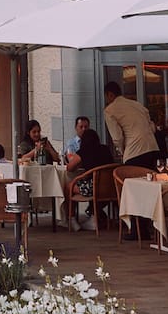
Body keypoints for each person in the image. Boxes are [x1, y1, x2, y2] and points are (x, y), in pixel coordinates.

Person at [104, 81, 159, 241]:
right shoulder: (138, 105)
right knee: (148, 189)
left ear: (109, 95)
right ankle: (149, 226)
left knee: (134, 192)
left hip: (134, 153)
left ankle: (137, 230)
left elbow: (117, 137)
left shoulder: (110, 110)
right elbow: (152, 127)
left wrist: (122, 152)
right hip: (152, 149)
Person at [65, 127, 111, 231]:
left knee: (69, 186)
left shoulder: (83, 152)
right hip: (110, 187)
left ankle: (71, 219)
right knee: (83, 181)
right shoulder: (106, 149)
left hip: (93, 187)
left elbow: (70, 168)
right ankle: (94, 216)